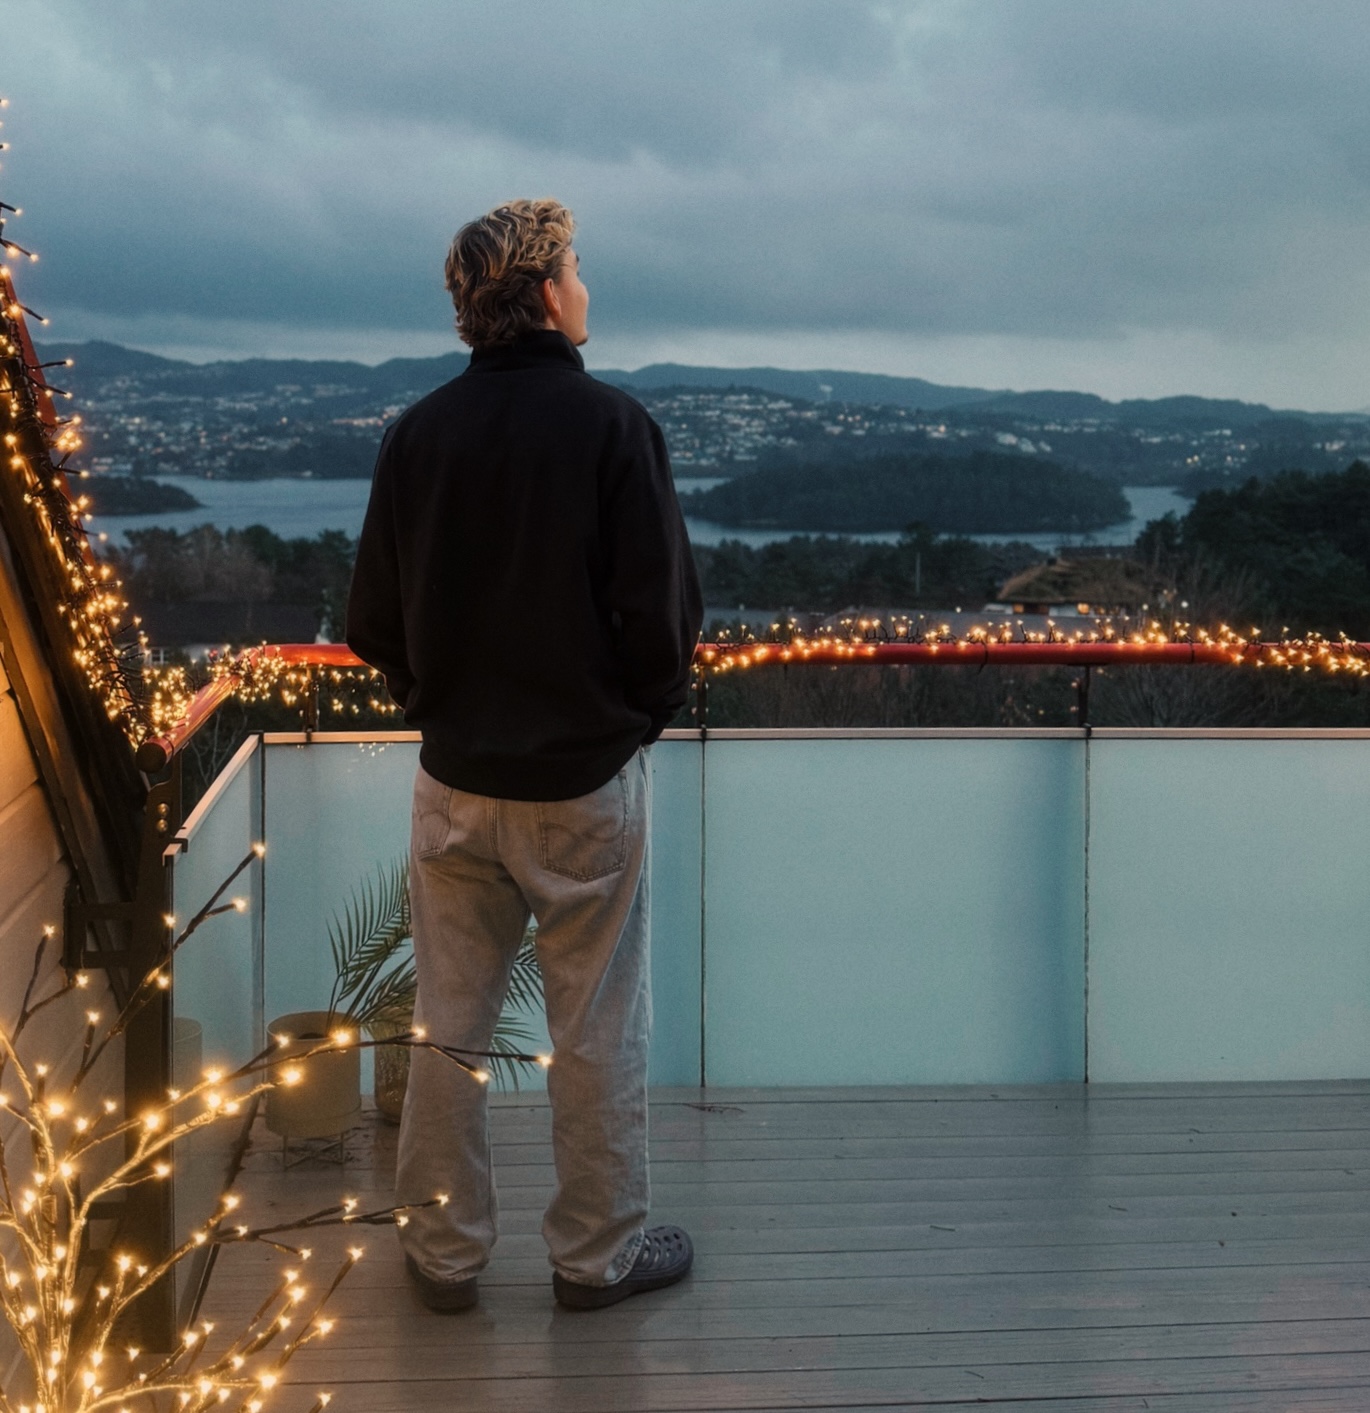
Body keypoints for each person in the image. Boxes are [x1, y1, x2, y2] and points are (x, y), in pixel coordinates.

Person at [345, 199, 703, 1312]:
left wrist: (436, 704)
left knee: (447, 1025)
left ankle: (443, 1255)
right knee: (594, 1028)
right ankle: (594, 1258)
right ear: (546, 292)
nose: (586, 289)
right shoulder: (611, 428)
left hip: (454, 785)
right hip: (582, 787)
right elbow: (660, 623)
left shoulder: (418, 434)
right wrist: (631, 718)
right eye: (579, 271)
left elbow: (372, 620)